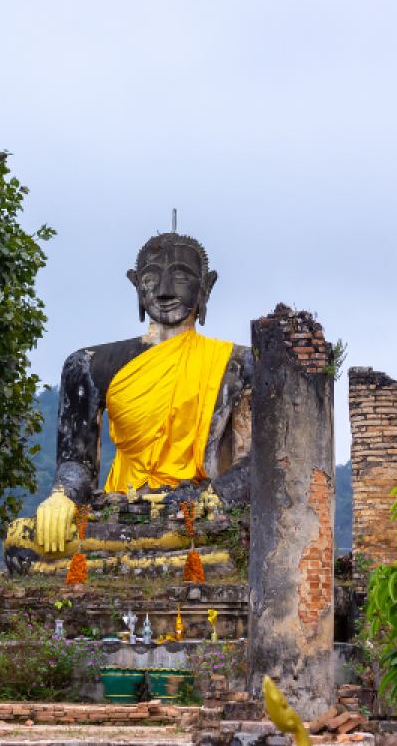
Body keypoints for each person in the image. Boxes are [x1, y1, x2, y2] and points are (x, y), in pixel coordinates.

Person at [27, 232, 254, 554]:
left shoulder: (239, 364)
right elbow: (76, 462)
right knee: (25, 540)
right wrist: (62, 496)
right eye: (151, 278)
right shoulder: (90, 365)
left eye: (179, 276)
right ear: (136, 284)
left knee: (227, 542)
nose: (163, 291)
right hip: (121, 509)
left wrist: (216, 498)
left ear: (206, 287)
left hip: (201, 510)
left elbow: (255, 460)